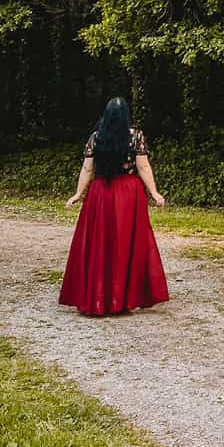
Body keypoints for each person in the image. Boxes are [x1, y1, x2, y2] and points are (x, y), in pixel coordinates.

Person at [59, 97, 169, 316]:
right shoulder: (135, 136)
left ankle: (100, 297)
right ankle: (124, 297)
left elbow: (87, 169)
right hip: (129, 194)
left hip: (101, 194)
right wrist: (154, 192)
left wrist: (78, 194)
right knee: (126, 242)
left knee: (101, 243)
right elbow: (143, 166)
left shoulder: (96, 138)